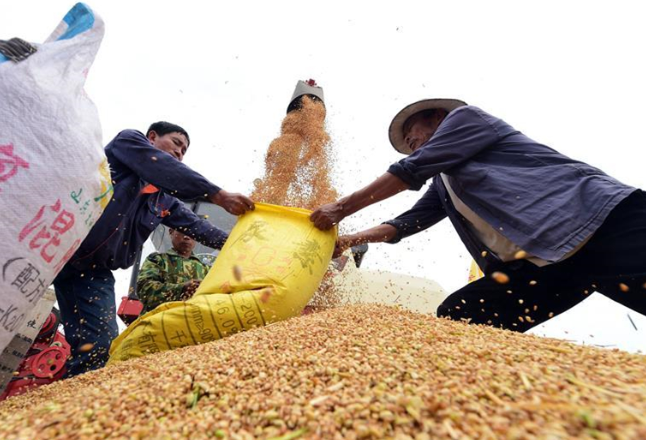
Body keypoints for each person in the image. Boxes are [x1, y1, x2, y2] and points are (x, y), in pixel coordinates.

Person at [311, 99, 646, 332]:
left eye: (413, 131)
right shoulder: (445, 183)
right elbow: (409, 221)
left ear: (439, 117)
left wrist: (340, 209)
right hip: (551, 264)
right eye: (407, 141)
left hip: (600, 220)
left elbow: (411, 169)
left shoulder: (466, 119)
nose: (410, 141)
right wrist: (352, 240)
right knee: (462, 314)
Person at [54, 121, 254, 376]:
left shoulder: (163, 200)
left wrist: (246, 243)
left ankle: (71, 405)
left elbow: (200, 228)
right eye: (176, 143)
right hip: (55, 246)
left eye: (184, 152)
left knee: (98, 348)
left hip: (91, 272)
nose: (180, 153)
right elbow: (159, 166)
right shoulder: (127, 144)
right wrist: (217, 194)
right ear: (152, 137)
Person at [137, 229, 210, 314]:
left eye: (192, 233)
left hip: (192, 323)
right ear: (171, 232)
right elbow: (145, 290)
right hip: (158, 322)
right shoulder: (157, 260)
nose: (187, 237)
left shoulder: (207, 270)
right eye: (182, 231)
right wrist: (181, 289)